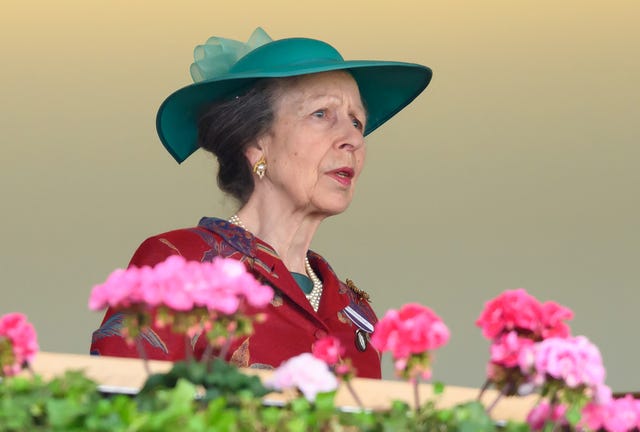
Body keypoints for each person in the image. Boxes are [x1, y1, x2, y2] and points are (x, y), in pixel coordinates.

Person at [90, 28, 432, 379]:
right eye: (321, 114)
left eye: (357, 121)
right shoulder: (180, 264)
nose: (352, 140)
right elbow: (118, 404)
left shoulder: (355, 310)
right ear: (257, 143)